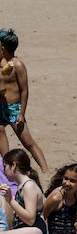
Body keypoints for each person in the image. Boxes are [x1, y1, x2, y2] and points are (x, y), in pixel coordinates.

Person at [0, 29, 48, 173]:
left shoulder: (18, 65)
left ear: (3, 47)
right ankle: (6, 167)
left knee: (28, 142)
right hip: (0, 107)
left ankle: (45, 169)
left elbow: (24, 90)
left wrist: (21, 113)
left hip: (14, 108)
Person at [1, 149, 48, 234]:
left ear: (13, 165)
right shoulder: (22, 186)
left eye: (5, 167)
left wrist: (10, 201)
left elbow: (30, 219)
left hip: (35, 233)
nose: (3, 171)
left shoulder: (29, 186)